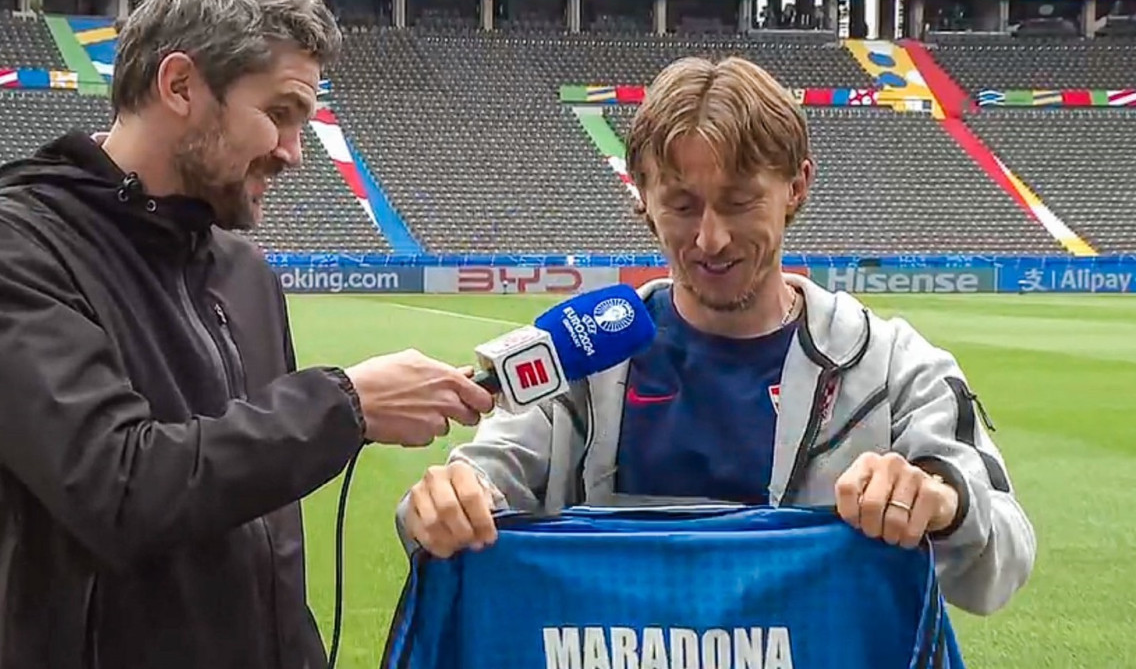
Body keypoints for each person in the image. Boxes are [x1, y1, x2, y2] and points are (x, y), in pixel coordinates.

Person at [0, 0, 493, 669]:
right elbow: (118, 488)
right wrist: (344, 403)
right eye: (279, 113)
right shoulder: (3, 252)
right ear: (181, 84)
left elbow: (266, 543)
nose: (292, 150)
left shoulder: (243, 271)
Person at [397, 55, 1036, 617]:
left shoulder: (893, 366)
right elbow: (471, 489)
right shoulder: (581, 358)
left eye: (738, 202)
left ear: (796, 188)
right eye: (681, 205)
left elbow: (1002, 562)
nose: (710, 239)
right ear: (642, 197)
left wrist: (942, 501)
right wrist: (450, 500)